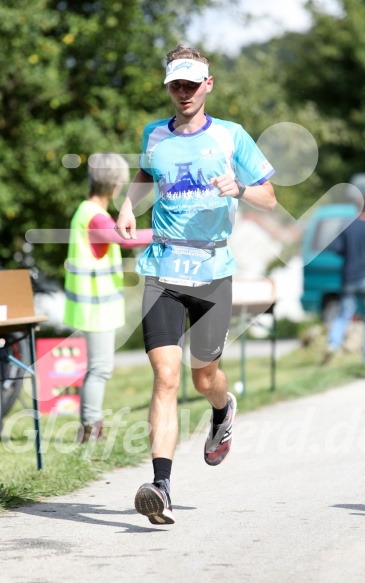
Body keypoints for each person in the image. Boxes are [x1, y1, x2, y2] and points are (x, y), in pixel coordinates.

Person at [115, 45, 276, 525]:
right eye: (175, 84)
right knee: (166, 376)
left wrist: (241, 190)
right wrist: (128, 205)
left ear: (208, 84)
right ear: (168, 86)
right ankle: (161, 487)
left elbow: (270, 197)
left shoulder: (232, 137)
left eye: (191, 84)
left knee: (203, 376)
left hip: (211, 273)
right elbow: (147, 172)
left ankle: (223, 410)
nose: (183, 93)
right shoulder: (155, 134)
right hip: (162, 267)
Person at [63, 153, 153, 442]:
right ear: (115, 185)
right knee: (100, 368)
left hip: (93, 305)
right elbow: (122, 236)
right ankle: (90, 429)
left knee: (99, 367)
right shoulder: (95, 217)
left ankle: (90, 426)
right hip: (95, 307)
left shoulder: (85, 211)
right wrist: (166, 232)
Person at [323, 196, 365, 364]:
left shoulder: (347, 227)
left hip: (349, 277)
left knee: (343, 315)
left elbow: (336, 249)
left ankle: (332, 346)